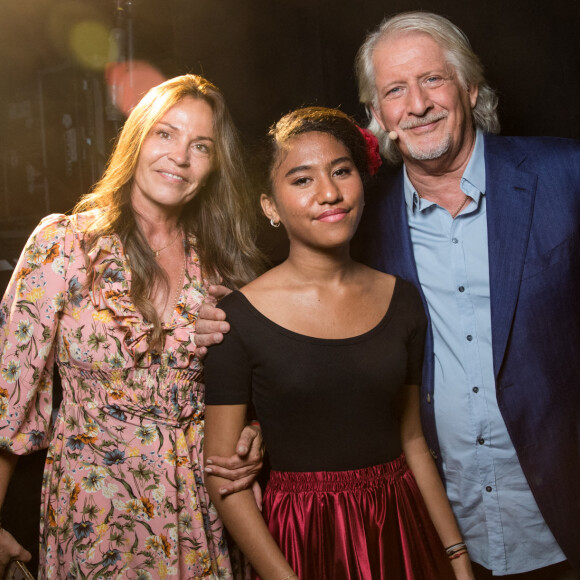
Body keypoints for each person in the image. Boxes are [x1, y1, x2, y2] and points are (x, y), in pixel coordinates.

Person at [196, 11, 580, 580]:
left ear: (470, 89)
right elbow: (313, 335)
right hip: (436, 525)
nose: (417, 104)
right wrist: (254, 415)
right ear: (378, 116)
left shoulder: (566, 174)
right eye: (395, 90)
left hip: (561, 509)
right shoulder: (357, 217)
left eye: (433, 79)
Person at [0, 73, 266, 579]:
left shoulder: (222, 265)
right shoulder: (63, 245)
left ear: (213, 166)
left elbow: (258, 389)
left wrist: (256, 433)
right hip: (99, 520)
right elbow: (6, 403)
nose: (180, 156)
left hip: (204, 511)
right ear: (137, 138)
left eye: (201, 145)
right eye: (165, 133)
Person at [202, 106, 474, 580]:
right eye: (302, 180)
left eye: (341, 171)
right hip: (305, 541)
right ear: (270, 206)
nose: (329, 193)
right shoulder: (237, 319)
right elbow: (223, 477)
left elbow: (412, 441)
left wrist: (457, 558)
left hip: (401, 530)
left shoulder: (402, 299)